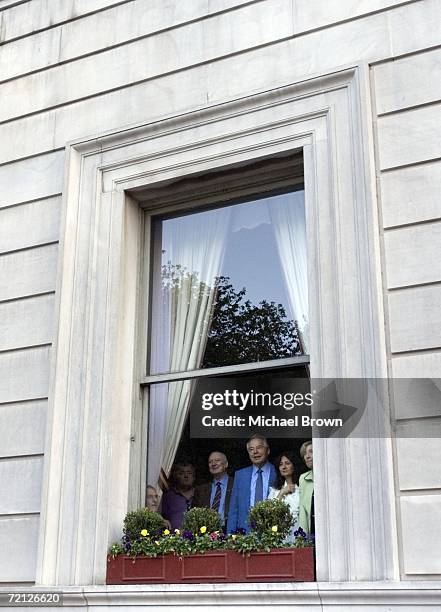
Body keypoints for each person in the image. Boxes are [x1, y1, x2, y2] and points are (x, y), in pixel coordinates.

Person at [227, 434, 276, 533]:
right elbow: (234, 510)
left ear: (268, 450)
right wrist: (230, 537)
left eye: (259, 448)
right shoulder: (240, 475)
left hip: (273, 533)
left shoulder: (277, 472)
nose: (255, 452)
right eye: (251, 449)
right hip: (245, 536)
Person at [192, 451, 234, 529]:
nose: (213, 464)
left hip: (231, 531)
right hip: (206, 533)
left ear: (226, 464)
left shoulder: (236, 484)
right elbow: (194, 515)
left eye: (217, 460)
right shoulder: (201, 490)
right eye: (210, 462)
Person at [268, 451, 299, 542]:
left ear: (294, 466)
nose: (284, 467)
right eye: (281, 464)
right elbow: (270, 514)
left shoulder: (301, 488)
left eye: (287, 463)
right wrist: (281, 493)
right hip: (281, 536)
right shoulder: (274, 491)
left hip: (299, 533)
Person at [161, 462, 195, 530]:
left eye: (189, 473)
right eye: (181, 473)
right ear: (176, 476)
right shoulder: (169, 497)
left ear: (194, 477)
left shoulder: (200, 494)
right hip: (173, 538)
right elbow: (162, 518)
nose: (186, 476)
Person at [298, 440, 314, 534]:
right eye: (305, 454)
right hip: (312, 535)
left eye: (311, 452)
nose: (307, 456)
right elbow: (303, 512)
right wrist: (302, 538)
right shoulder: (303, 478)